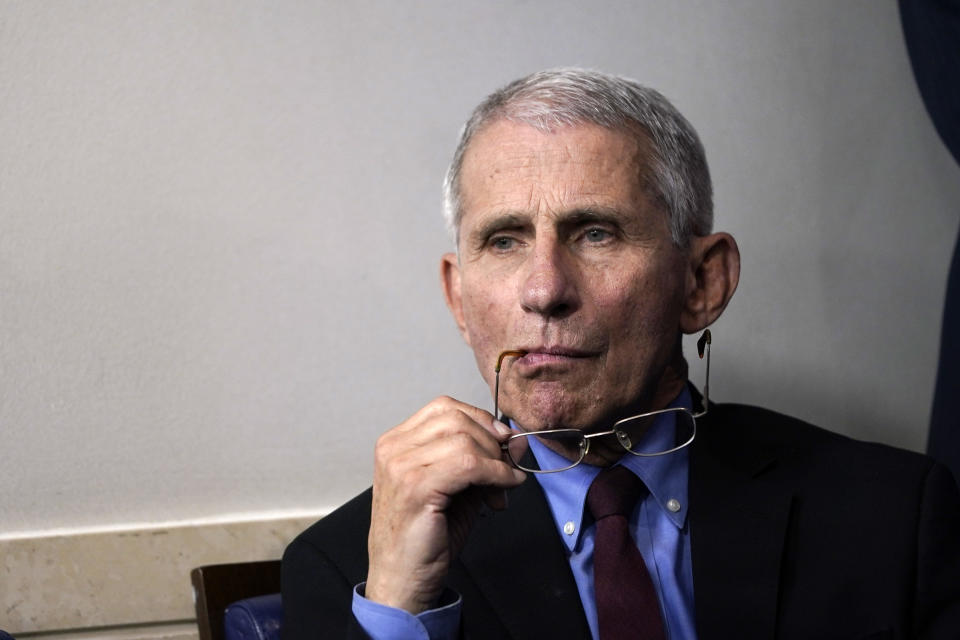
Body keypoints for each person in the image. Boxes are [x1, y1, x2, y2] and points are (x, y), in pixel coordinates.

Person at [281, 68, 960, 639]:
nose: (544, 290)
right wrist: (402, 610)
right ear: (460, 300)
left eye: (596, 233)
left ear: (703, 282)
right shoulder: (352, 569)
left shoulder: (893, 516)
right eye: (505, 241)